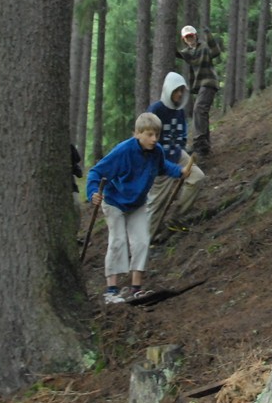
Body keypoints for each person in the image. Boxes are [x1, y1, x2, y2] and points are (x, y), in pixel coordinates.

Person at [86, 112, 189, 304]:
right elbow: (96, 171)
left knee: (142, 241)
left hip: (138, 202)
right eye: (149, 135)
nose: (154, 139)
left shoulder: (156, 151)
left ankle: (136, 289)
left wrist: (180, 171)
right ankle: (111, 291)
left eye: (156, 135)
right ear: (138, 134)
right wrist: (92, 192)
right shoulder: (123, 151)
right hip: (114, 200)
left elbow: (163, 166)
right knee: (117, 242)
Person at [145, 71, 207, 241]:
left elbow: (181, 134)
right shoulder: (155, 110)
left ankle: (177, 216)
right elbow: (146, 137)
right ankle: (147, 239)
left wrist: (182, 150)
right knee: (156, 204)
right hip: (160, 161)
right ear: (168, 90)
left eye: (181, 90)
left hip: (178, 155)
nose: (179, 94)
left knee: (197, 177)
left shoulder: (179, 111)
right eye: (176, 90)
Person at [176, 25, 222, 157]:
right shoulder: (188, 53)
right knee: (202, 112)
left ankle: (199, 143)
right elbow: (177, 53)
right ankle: (205, 146)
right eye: (187, 37)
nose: (189, 39)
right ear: (184, 39)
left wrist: (208, 34)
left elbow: (216, 51)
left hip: (209, 82)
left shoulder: (204, 48)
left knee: (199, 109)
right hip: (200, 85)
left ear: (195, 35)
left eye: (191, 36)